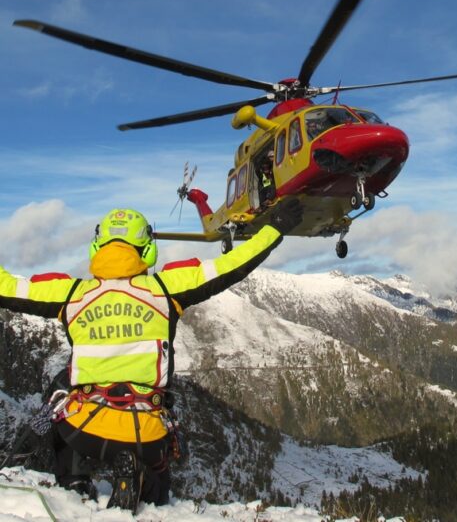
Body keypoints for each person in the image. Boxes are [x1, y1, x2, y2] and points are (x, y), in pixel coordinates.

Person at [0, 199, 302, 513]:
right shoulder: (165, 287)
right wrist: (274, 228)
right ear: (146, 250)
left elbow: (7, 287)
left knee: (61, 409)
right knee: (159, 479)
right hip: (146, 431)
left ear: (96, 247)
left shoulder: (70, 293)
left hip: (85, 428)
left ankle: (74, 481)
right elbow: (232, 266)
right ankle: (146, 487)